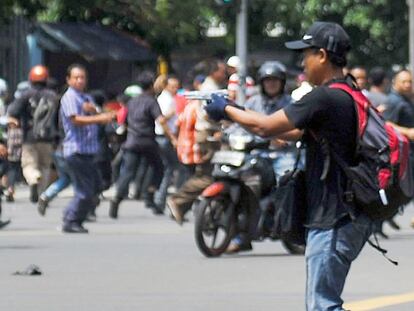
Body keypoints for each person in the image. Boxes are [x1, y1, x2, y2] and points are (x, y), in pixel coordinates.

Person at [205, 21, 374, 310]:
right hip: (349, 213)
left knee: (323, 306)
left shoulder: (323, 97)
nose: (302, 63)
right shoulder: (348, 93)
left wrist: (226, 109)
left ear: (322, 55)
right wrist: (240, 114)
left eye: (306, 54)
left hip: (334, 216)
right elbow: (291, 131)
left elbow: (267, 127)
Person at [225, 60, 296, 253]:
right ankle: (242, 233)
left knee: (286, 184)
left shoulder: (291, 104)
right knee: (240, 183)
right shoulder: (253, 102)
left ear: (282, 82)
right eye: (267, 80)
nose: (271, 84)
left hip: (283, 155)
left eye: (275, 80)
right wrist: (225, 131)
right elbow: (240, 123)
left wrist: (283, 139)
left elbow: (298, 129)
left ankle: (284, 223)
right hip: (257, 153)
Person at [109, 71, 177, 218]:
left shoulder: (132, 102)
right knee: (159, 167)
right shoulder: (151, 101)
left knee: (127, 173)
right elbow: (161, 120)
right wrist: (171, 137)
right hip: (147, 142)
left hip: (132, 141)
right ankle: (150, 192)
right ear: (151, 85)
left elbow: (124, 121)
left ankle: (116, 199)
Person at [60, 63, 115, 233]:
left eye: (82, 77)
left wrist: (97, 112)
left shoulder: (85, 98)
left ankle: (71, 214)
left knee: (97, 185)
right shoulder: (69, 97)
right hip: (76, 149)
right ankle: (71, 220)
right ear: (69, 80)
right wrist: (99, 118)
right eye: (76, 77)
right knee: (85, 190)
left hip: (89, 150)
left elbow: (98, 113)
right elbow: (75, 119)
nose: (80, 81)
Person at [8, 65, 60, 203]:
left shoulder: (26, 95)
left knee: (29, 164)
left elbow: (13, 111)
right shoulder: (54, 96)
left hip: (29, 136)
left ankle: (33, 179)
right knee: (45, 165)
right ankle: (41, 192)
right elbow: (58, 118)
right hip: (48, 137)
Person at [154, 75, 180, 211]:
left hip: (163, 137)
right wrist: (172, 138)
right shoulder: (166, 100)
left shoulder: (167, 98)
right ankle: (161, 199)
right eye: (173, 86)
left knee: (166, 168)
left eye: (177, 86)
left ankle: (159, 198)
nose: (175, 89)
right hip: (165, 137)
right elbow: (162, 120)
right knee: (171, 168)